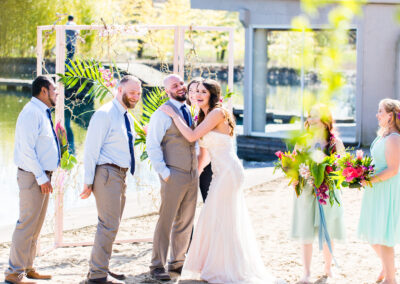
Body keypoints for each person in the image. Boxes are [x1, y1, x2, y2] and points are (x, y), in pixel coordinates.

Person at [159, 79, 284, 284]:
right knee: (216, 216)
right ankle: (217, 264)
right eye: (196, 91)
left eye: (203, 92)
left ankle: (228, 268)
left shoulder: (218, 112)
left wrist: (173, 114)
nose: (198, 95)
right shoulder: (204, 115)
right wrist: (195, 174)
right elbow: (207, 153)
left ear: (212, 95)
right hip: (220, 172)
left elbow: (191, 137)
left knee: (219, 216)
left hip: (229, 172)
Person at [80, 75, 141, 284]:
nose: (136, 97)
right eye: (132, 92)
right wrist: (88, 182)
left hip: (119, 175)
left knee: (111, 225)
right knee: (108, 225)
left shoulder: (125, 116)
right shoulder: (104, 114)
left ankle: (99, 267)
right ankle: (97, 275)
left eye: (139, 93)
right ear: (119, 90)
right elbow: (90, 150)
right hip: (107, 174)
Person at [4, 76, 60, 284]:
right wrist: (40, 177)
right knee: (27, 223)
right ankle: (13, 272)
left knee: (35, 224)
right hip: (32, 176)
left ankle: (27, 267)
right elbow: (26, 150)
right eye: (54, 89)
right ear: (44, 91)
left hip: (41, 176)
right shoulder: (31, 113)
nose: (56, 93)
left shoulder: (41, 112)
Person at [147, 74, 198, 281]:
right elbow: (152, 145)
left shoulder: (189, 110)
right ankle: (156, 265)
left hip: (192, 174)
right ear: (166, 91)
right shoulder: (161, 115)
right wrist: (165, 173)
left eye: (181, 83)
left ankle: (177, 262)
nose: (180, 87)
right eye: (174, 85)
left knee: (186, 220)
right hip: (173, 174)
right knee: (166, 221)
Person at [291, 104, 346, 283]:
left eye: (315, 116)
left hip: (327, 192)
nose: (311, 120)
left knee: (327, 231)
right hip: (307, 191)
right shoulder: (302, 140)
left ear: (325, 120)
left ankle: (328, 270)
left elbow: (342, 170)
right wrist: (297, 177)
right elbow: (292, 165)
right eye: (309, 116)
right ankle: (306, 273)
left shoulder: (335, 143)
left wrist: (327, 174)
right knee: (306, 232)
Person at [358, 99, 400, 284]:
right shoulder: (383, 135)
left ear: (390, 115)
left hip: (386, 189)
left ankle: (390, 279)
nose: (377, 114)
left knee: (383, 236)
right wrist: (359, 171)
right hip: (376, 189)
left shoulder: (394, 138)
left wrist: (369, 179)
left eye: (380, 111)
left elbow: (393, 169)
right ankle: (387, 264)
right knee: (372, 232)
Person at [187, 78, 212, 202]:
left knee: (209, 199)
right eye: (190, 90)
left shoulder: (208, 114)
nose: (193, 94)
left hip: (206, 163)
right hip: (188, 163)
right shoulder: (183, 112)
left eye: (197, 90)